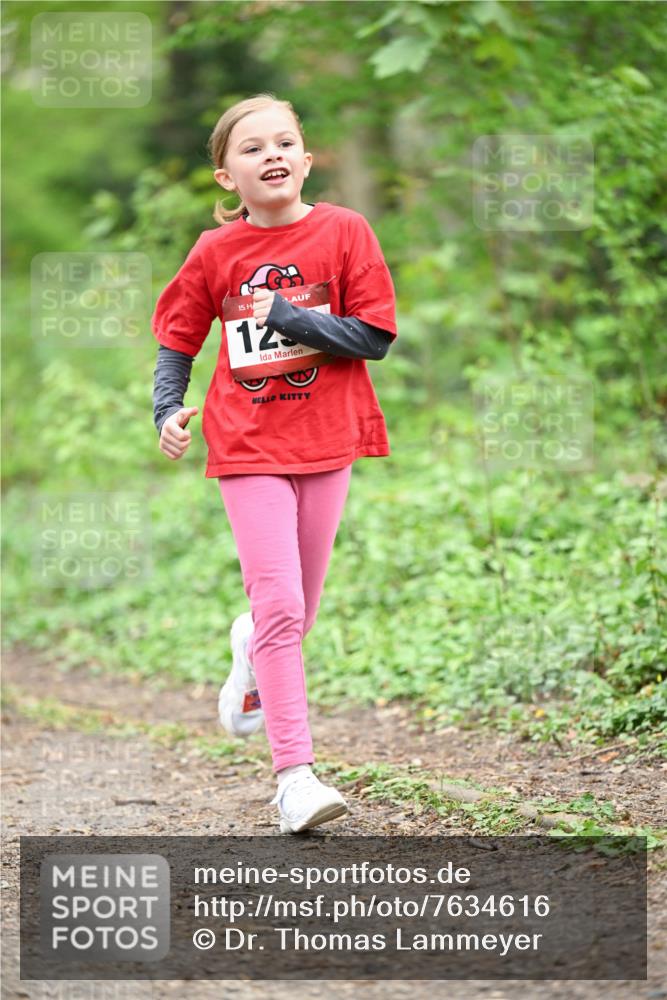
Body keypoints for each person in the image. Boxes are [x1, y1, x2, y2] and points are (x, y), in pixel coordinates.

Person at [151, 92, 398, 835]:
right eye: (252, 148)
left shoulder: (344, 232)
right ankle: (294, 778)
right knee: (282, 609)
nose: (273, 156)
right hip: (246, 443)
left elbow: (374, 336)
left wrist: (288, 317)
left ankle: (249, 645)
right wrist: (168, 408)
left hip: (327, 438)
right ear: (226, 175)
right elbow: (178, 337)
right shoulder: (214, 253)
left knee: (298, 612)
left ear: (307, 159)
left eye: (285, 142)